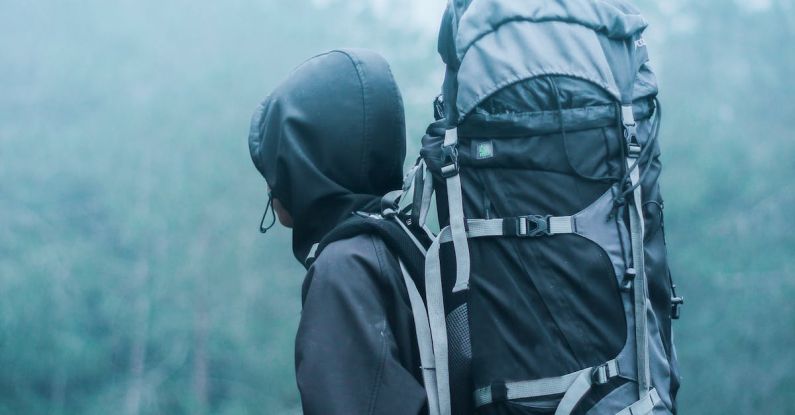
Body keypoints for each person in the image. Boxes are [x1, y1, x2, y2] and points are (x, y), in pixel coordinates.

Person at [248, 49, 428, 415]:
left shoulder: (343, 271)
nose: (270, 187)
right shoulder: (408, 242)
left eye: (277, 162)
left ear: (303, 164)